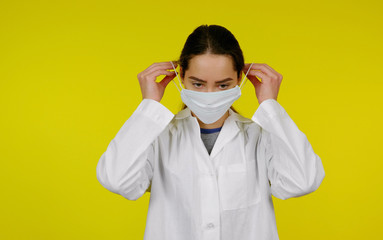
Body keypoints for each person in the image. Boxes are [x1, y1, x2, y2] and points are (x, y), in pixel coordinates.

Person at [96, 24, 325, 240]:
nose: (209, 93)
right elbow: (117, 180)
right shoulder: (157, 136)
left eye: (223, 85)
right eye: (198, 84)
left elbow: (302, 182)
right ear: (181, 76)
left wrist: (270, 107)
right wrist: (148, 106)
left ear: (239, 79)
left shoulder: (260, 137)